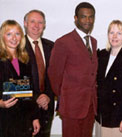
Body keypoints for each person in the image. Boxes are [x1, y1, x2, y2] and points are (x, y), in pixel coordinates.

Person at [48, 2, 97, 137]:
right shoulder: (63, 42)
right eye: (83, 17)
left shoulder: (93, 41)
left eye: (91, 17)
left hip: (90, 106)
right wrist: (66, 96)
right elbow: (54, 74)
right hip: (71, 106)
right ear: (76, 19)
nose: (88, 20)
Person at [95, 20, 122, 137]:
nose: (114, 36)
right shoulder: (102, 55)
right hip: (103, 117)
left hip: (121, 119)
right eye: (111, 32)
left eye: (119, 33)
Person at [0, 20, 40, 137]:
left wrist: (35, 117)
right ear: (2, 37)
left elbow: (30, 92)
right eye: (9, 34)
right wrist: (0, 103)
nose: (14, 38)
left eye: (17, 34)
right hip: (3, 120)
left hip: (24, 121)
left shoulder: (25, 60)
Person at [23, 9, 55, 137]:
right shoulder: (17, 47)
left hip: (47, 107)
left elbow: (57, 76)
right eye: (32, 21)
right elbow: (16, 79)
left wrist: (47, 95)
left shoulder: (52, 47)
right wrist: (37, 97)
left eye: (40, 22)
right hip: (26, 108)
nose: (36, 26)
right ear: (25, 23)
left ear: (45, 25)